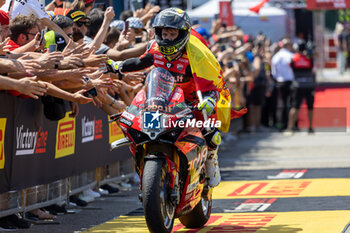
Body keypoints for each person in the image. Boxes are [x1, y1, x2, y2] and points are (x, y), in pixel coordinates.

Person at [117, 8, 232, 187]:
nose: (168, 38)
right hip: (162, 98)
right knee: (142, 128)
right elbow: (141, 62)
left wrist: (209, 99)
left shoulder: (196, 54)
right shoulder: (154, 47)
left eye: (172, 33)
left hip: (192, 100)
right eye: (165, 33)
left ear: (182, 33)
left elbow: (211, 83)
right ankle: (145, 163)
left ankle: (211, 158)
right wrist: (117, 67)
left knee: (209, 129)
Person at [285, 39, 316, 135]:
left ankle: (290, 127)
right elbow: (312, 69)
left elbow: (290, 66)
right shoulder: (309, 59)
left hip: (297, 86)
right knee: (310, 107)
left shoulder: (294, 58)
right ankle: (310, 127)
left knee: (294, 106)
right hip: (309, 85)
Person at [271, 38, 294, 130]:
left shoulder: (276, 56)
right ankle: (291, 124)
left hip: (280, 82)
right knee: (292, 103)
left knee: (282, 103)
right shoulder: (292, 56)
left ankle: (282, 123)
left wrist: (277, 79)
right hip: (290, 81)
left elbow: (274, 72)